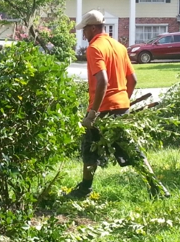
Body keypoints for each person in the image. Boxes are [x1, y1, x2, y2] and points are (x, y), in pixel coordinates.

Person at [67, 10, 170, 199]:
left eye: (85, 30)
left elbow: (102, 81)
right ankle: (157, 187)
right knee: (131, 148)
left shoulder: (94, 48)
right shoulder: (119, 47)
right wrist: (124, 101)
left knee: (90, 149)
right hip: (121, 107)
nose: (84, 34)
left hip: (102, 109)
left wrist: (92, 114)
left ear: (93, 28)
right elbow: (133, 80)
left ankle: (84, 190)